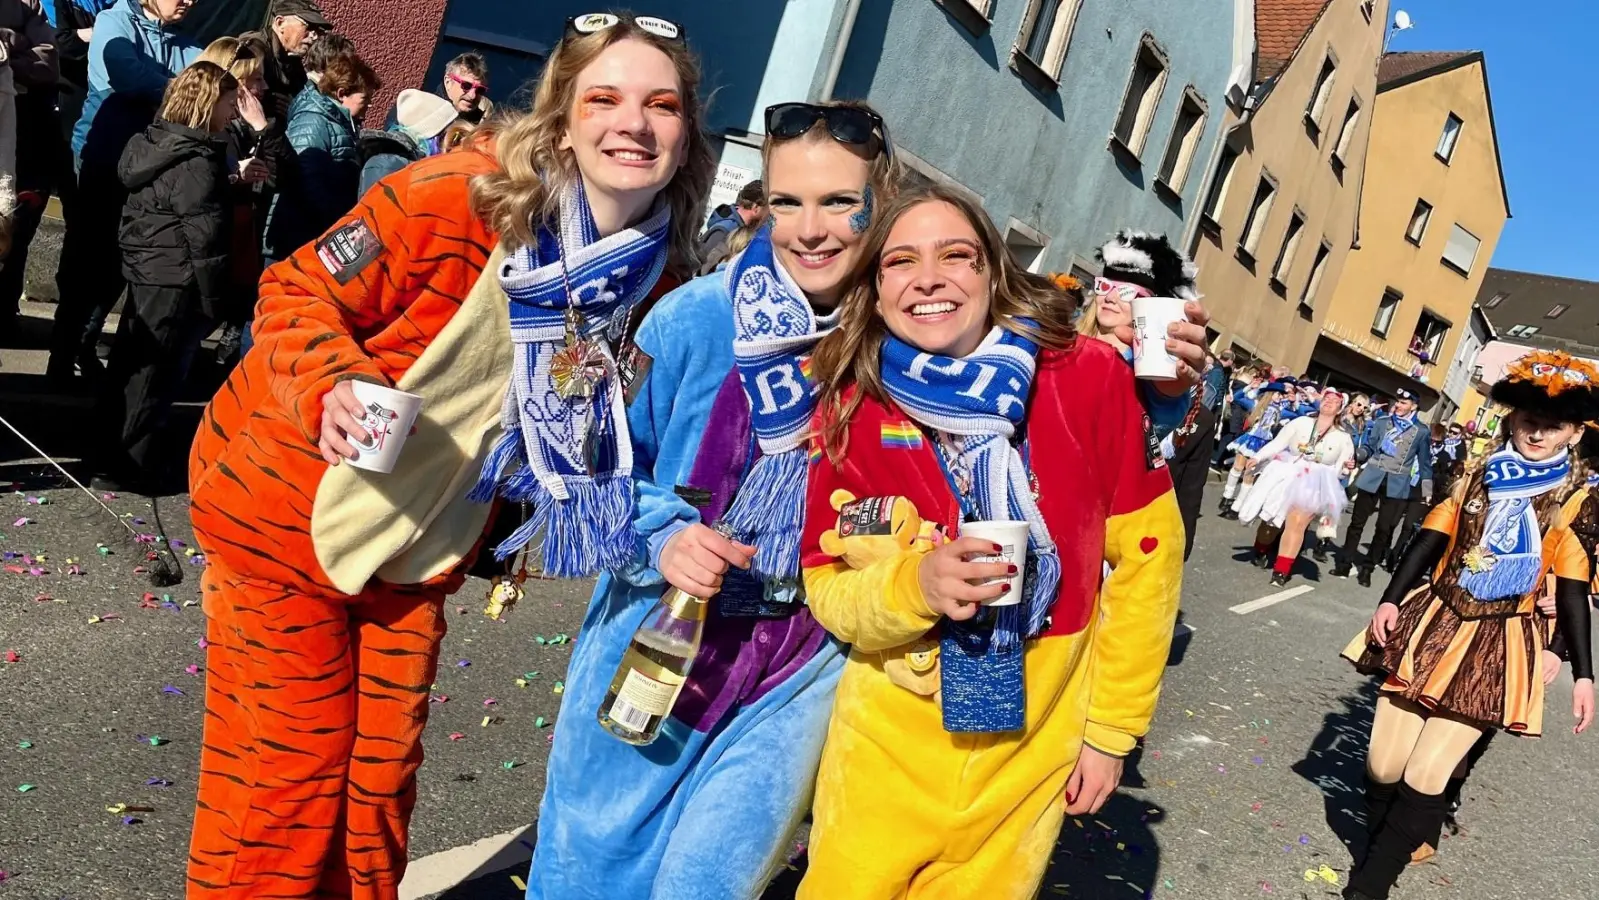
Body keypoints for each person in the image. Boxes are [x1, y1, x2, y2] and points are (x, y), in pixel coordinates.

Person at [183, 14, 714, 898]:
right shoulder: (456, 194)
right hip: (286, 507)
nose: (633, 123)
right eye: (605, 98)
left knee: (376, 789)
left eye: (661, 105)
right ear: (562, 117)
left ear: (686, 134)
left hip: (421, 542)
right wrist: (333, 382)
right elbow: (296, 288)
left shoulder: (655, 280)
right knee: (284, 779)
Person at [522, 96, 888, 900]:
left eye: (838, 202)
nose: (810, 229)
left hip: (795, 669)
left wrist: (1160, 393)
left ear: (878, 203)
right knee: (588, 876)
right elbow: (594, 471)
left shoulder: (898, 342)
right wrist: (663, 536)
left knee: (706, 885)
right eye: (787, 201)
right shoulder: (692, 320)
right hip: (658, 643)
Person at [795, 182, 1183, 899]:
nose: (928, 278)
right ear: (874, 289)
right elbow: (825, 585)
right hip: (888, 748)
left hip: (1029, 746)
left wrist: (1109, 732)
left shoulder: (1084, 376)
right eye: (900, 260)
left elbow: (1147, 563)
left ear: (992, 272)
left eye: (955, 255)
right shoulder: (852, 403)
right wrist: (915, 586)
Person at [1339, 349, 1596, 900]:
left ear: (1574, 434)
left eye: (1553, 427)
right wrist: (1389, 600)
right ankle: (1391, 841)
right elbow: (1430, 537)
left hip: (1500, 639)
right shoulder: (1475, 473)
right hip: (1434, 618)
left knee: (1425, 775)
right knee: (1383, 766)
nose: (1537, 434)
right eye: (1530, 421)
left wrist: (1583, 672)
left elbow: (1574, 589)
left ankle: (1371, 884)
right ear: (1513, 419)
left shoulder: (1577, 500)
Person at [92, 60, 234, 491]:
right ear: (208, 104)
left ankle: (108, 454)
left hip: (146, 266)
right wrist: (214, 299)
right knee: (151, 376)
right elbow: (204, 237)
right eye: (229, 103)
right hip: (175, 275)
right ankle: (128, 466)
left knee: (128, 365)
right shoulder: (197, 160)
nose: (232, 112)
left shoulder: (153, 141)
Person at [49, 0, 199, 383]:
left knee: (119, 265)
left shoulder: (188, 42)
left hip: (148, 169)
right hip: (101, 160)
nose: (190, 1)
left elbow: (207, 84)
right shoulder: (112, 22)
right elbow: (127, 75)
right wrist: (181, 89)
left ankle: (85, 345)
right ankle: (61, 357)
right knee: (85, 260)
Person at [1076, 231, 1210, 559]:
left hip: (1099, 521)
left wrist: (1169, 386)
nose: (1109, 297)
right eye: (1104, 286)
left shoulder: (1147, 372)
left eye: (1125, 291)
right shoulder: (1063, 344)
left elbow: (1164, 411)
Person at [196, 34, 288, 371]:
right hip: (198, 252)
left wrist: (264, 127)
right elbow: (193, 187)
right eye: (256, 79)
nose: (264, 87)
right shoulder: (208, 125)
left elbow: (283, 175)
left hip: (227, 244)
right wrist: (235, 176)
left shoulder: (246, 125)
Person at [261, 51, 377, 267]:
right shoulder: (313, 122)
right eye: (365, 98)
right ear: (342, 93)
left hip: (308, 235)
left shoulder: (339, 123)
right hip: (293, 237)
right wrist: (336, 219)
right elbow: (302, 179)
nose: (369, 105)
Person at [1236, 390, 1355, 585]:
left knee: (1297, 524)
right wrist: (1257, 457)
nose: (1328, 402)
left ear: (1340, 409)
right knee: (1270, 523)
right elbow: (1278, 443)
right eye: (1326, 398)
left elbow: (1340, 471)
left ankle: (1281, 571)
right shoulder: (1301, 422)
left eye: (1334, 401)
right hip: (1287, 472)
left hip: (1314, 482)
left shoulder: (1343, 438)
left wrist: (1346, 468)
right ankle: (1261, 549)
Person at [1336, 389, 1433, 586]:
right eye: (1398, 401)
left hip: (1397, 482)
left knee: (1383, 529)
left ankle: (1367, 568)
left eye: (1404, 403)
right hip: (1373, 476)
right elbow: (1370, 447)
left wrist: (1427, 491)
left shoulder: (1421, 431)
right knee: (1357, 523)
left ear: (1413, 406)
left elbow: (1425, 463)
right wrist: (1358, 455)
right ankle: (1344, 562)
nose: (1398, 406)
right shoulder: (1382, 422)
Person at [0, 0, 58, 328]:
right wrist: (20, 43)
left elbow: (48, 64)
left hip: (21, 130)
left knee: (14, 226)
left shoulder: (26, 4)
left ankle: (4, 312)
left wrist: (6, 49)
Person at [358, 87, 456, 196]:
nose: (453, 144)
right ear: (431, 135)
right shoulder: (386, 165)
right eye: (449, 135)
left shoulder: (410, 159)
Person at [243, 0, 331, 121]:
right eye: (309, 27)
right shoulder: (252, 52)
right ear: (280, 23)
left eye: (317, 29)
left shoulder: (292, 59)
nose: (314, 36)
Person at [1311, 391, 1372, 561]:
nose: (1361, 409)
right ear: (1351, 403)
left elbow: (1364, 448)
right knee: (1311, 502)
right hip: (1323, 466)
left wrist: (1357, 458)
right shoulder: (1338, 419)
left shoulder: (1363, 427)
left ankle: (1322, 543)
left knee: (1333, 507)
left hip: (1342, 472)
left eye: (1365, 407)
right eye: (1358, 404)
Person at [1219, 381, 1289, 519]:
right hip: (1249, 439)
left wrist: (1298, 401)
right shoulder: (1256, 404)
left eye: (1282, 395)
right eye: (1278, 393)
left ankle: (1237, 507)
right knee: (1237, 467)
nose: (1281, 397)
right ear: (1270, 393)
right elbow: (1236, 398)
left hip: (1263, 444)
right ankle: (1227, 497)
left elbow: (1304, 411)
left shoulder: (1282, 410)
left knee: (1249, 474)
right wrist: (1250, 387)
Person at [695, 177, 762, 274]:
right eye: (767, 209)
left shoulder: (737, 227)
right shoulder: (726, 230)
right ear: (756, 208)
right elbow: (702, 269)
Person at [440, 49, 491, 124]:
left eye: (480, 89)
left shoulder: (481, 127)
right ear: (448, 82)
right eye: (466, 85)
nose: (472, 96)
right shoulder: (427, 113)